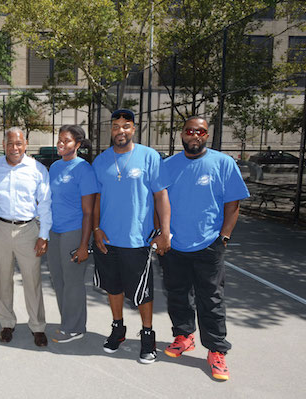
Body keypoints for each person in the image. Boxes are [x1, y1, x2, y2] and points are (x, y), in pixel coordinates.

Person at [160, 116, 249, 381]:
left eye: (200, 132)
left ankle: (216, 351)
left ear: (206, 135)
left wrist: (223, 237)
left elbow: (233, 204)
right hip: (174, 244)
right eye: (190, 131)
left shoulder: (223, 163)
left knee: (210, 299)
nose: (195, 135)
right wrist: (162, 235)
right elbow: (158, 202)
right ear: (182, 135)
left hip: (209, 244)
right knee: (177, 293)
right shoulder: (168, 165)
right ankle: (183, 337)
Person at [92, 108, 171, 364]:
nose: (120, 130)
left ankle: (148, 335)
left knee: (142, 292)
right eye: (116, 126)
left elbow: (161, 196)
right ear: (111, 130)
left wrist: (164, 232)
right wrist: (96, 229)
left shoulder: (149, 157)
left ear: (134, 129)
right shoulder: (101, 161)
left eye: (126, 126)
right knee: (112, 287)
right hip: (108, 238)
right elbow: (96, 200)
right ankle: (118, 328)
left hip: (138, 239)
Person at [0, 127, 52, 347]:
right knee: (3, 278)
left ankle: (38, 326)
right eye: (10, 143)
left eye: (19, 143)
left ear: (26, 144)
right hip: (0, 229)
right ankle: (6, 323)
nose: (15, 148)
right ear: (3, 145)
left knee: (32, 280)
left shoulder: (37, 169)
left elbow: (46, 204)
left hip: (28, 231)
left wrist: (43, 235)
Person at [47, 125, 98, 343]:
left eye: (66, 141)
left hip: (74, 232)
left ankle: (75, 327)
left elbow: (88, 212)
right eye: (59, 140)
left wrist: (84, 244)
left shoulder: (83, 169)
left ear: (77, 145)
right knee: (58, 280)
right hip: (54, 232)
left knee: (73, 282)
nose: (60, 144)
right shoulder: (55, 166)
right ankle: (67, 321)